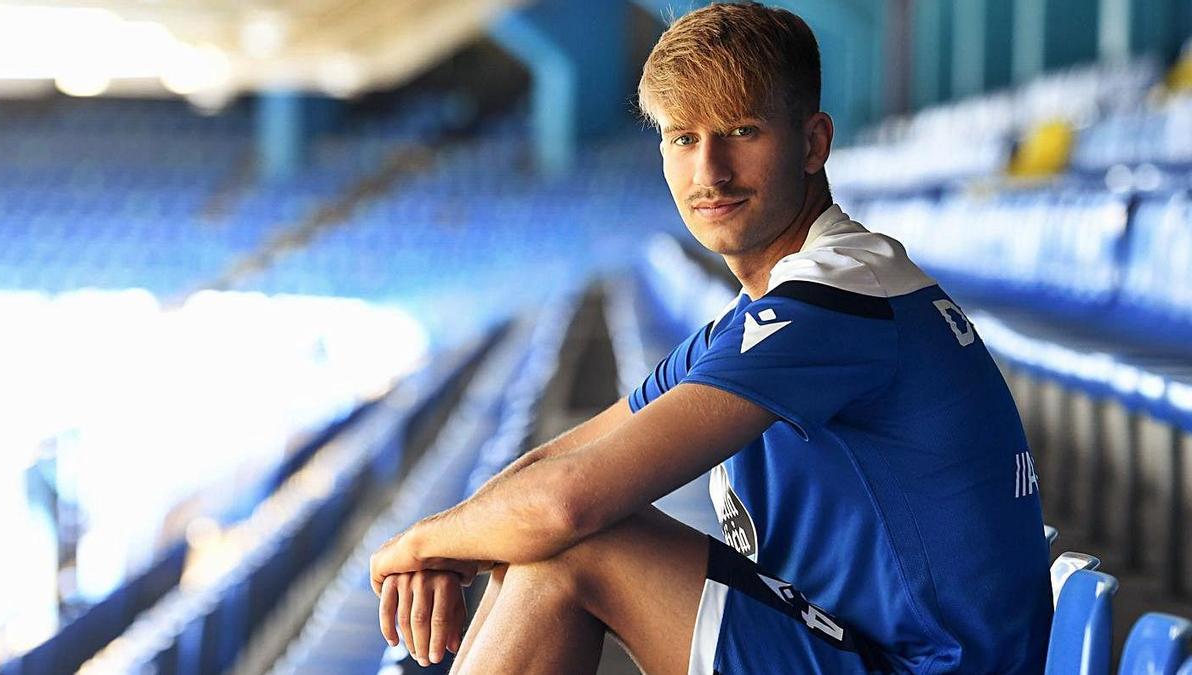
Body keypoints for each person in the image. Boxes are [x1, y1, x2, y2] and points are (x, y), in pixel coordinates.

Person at [370, 3, 1053, 672]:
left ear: (813, 142)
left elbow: (568, 501)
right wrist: (451, 541)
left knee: (571, 544)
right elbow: (556, 462)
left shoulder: (838, 297)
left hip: (918, 664)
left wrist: (417, 544)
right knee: (539, 538)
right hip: (860, 645)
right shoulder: (769, 309)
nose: (710, 173)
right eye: (683, 138)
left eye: (741, 131)